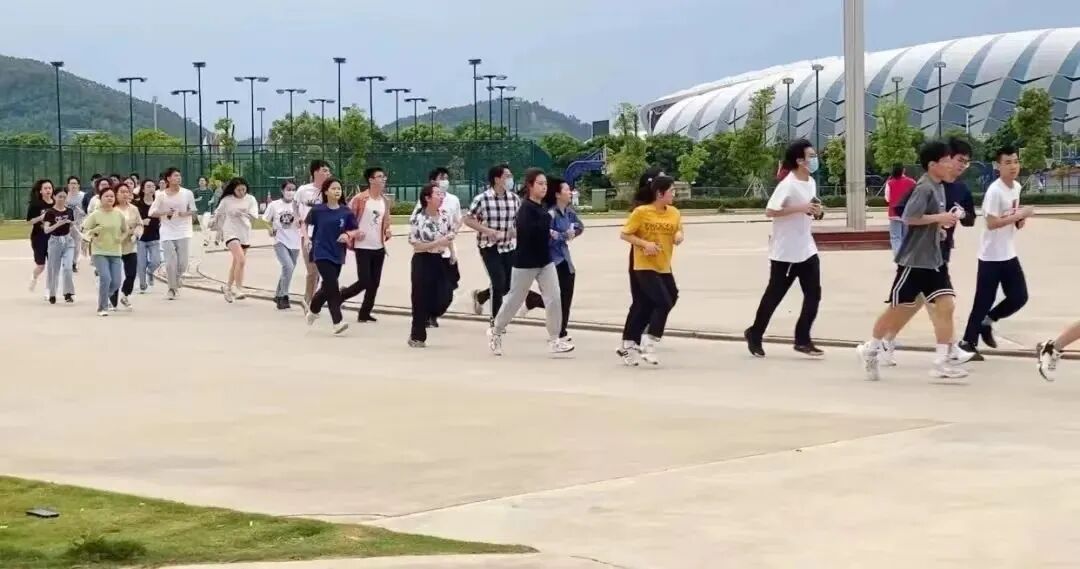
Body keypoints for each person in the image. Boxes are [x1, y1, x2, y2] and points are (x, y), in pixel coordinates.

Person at [856, 140, 973, 381]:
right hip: (915, 261)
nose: (951, 164)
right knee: (897, 309)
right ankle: (871, 347)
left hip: (934, 260)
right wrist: (938, 218)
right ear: (933, 165)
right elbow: (909, 217)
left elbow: (930, 219)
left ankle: (941, 361)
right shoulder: (924, 188)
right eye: (947, 160)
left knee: (947, 305)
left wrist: (939, 228)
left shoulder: (939, 187)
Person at [745, 139, 824, 358]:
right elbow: (770, 211)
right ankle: (755, 333)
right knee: (774, 296)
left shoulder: (810, 181)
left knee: (814, 295)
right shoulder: (788, 184)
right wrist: (800, 207)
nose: (815, 159)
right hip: (786, 253)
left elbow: (810, 207)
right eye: (811, 156)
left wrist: (816, 211)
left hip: (807, 248)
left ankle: (802, 339)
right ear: (799, 160)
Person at [958, 146, 1033, 359]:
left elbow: (1012, 217)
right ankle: (967, 343)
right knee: (983, 300)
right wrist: (1019, 214)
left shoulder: (1016, 187)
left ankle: (988, 321)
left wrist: (1020, 219)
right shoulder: (995, 191)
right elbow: (991, 223)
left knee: (1019, 296)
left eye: (1016, 161)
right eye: (1007, 162)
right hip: (990, 256)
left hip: (1008, 253)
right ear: (997, 166)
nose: (1013, 166)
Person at [487, 168, 570, 356]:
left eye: (545, 184)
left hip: (545, 261)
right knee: (514, 300)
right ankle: (496, 331)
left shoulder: (543, 206)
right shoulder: (525, 209)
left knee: (554, 297)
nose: (544, 187)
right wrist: (548, 219)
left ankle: (555, 339)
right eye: (540, 184)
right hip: (525, 263)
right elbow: (531, 232)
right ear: (530, 186)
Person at [617, 175, 683, 366]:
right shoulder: (641, 212)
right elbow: (625, 234)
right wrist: (645, 244)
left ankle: (629, 342)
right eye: (671, 191)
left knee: (669, 296)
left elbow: (678, 229)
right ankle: (649, 340)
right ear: (659, 193)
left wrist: (679, 235)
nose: (674, 194)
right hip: (644, 265)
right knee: (662, 301)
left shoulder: (674, 212)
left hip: (664, 264)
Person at [466, 164, 544, 322]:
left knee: (509, 284)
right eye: (507, 176)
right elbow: (468, 219)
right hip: (489, 246)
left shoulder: (514, 199)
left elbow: (520, 221)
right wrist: (487, 231)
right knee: (498, 282)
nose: (510, 179)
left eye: (510, 176)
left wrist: (519, 231)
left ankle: (481, 296)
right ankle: (496, 320)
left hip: (509, 246)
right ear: (497, 179)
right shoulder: (482, 199)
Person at [302, 177, 360, 335]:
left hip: (338, 253)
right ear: (326, 191)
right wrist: (306, 239)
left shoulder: (345, 211)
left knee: (327, 286)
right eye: (333, 188)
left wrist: (347, 235)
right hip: (321, 252)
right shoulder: (318, 210)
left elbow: (356, 230)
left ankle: (313, 309)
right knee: (333, 286)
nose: (337, 191)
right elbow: (304, 223)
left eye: (339, 188)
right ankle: (337, 322)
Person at [412, 167, 464, 326]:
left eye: (446, 178)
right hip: (428, 253)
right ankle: (426, 317)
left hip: (446, 251)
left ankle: (434, 312)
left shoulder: (453, 200)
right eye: (441, 178)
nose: (445, 181)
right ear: (433, 181)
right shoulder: (424, 206)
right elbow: (415, 232)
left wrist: (452, 245)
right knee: (427, 287)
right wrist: (435, 242)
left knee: (449, 286)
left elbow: (457, 222)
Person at [342, 167, 393, 322]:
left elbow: (386, 220)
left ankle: (365, 313)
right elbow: (347, 218)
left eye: (384, 177)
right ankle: (340, 296)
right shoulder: (360, 199)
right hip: (362, 246)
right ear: (371, 180)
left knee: (374, 283)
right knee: (364, 280)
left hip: (379, 246)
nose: (383, 179)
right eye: (379, 176)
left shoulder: (385, 200)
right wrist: (354, 232)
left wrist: (387, 230)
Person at [408, 183, 456, 347]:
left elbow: (449, 235)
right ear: (427, 198)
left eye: (441, 194)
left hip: (440, 259)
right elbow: (415, 244)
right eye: (437, 194)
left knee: (446, 293)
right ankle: (417, 336)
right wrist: (437, 243)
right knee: (420, 297)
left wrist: (452, 253)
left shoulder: (444, 216)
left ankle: (431, 314)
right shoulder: (418, 218)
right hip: (422, 259)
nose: (441, 197)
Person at [544, 176, 584, 346]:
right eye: (567, 190)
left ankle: (562, 330)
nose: (570, 192)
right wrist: (563, 236)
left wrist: (573, 232)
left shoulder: (568, 212)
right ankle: (557, 333)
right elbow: (547, 236)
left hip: (565, 258)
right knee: (556, 297)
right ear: (557, 194)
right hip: (552, 260)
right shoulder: (550, 214)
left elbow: (580, 226)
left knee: (566, 296)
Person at [148, 167, 197, 300]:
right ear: (168, 179)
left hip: (184, 230)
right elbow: (151, 212)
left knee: (183, 263)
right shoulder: (161, 195)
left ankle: (177, 278)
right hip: (167, 231)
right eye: (175, 176)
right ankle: (171, 288)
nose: (178, 178)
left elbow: (193, 211)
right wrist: (165, 213)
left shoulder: (187, 193)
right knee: (170, 262)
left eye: (179, 176)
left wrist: (184, 213)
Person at [81, 186, 129, 317]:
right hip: (99, 251)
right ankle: (102, 307)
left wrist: (121, 238)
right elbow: (84, 229)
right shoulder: (95, 215)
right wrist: (93, 232)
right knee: (106, 278)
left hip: (115, 251)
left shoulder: (118, 214)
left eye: (112, 196)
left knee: (116, 282)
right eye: (106, 196)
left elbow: (126, 230)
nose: (109, 198)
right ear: (100, 198)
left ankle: (104, 296)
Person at [212, 177, 259, 303]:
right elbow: (218, 212)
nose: (242, 192)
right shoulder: (227, 200)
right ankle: (238, 289)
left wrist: (243, 213)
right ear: (233, 189)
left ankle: (227, 287)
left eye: (243, 189)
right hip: (230, 232)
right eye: (239, 190)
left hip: (244, 232)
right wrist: (214, 222)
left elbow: (254, 217)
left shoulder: (250, 199)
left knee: (236, 262)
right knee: (241, 260)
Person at [297, 160, 333, 305]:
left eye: (328, 171)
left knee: (323, 272)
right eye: (324, 170)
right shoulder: (303, 190)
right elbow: (294, 205)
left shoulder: (331, 191)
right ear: (315, 172)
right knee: (312, 271)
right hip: (308, 236)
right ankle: (308, 301)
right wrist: (297, 218)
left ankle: (314, 299)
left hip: (325, 236)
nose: (328, 173)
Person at [263, 180, 302, 310]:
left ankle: (278, 294)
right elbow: (265, 220)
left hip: (295, 242)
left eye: (293, 189)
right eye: (288, 189)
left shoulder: (298, 205)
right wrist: (269, 228)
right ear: (282, 190)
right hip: (280, 240)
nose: (291, 192)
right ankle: (284, 296)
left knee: (288, 270)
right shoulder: (274, 205)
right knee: (288, 266)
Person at [109, 183, 143, 310]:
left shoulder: (134, 209)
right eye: (121, 192)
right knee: (115, 276)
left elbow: (140, 224)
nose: (124, 194)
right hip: (115, 245)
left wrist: (137, 234)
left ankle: (125, 295)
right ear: (116, 194)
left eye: (127, 192)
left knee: (132, 273)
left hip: (130, 245)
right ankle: (112, 301)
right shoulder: (111, 209)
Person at [41, 186, 77, 304]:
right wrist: (58, 224)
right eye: (59, 196)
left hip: (68, 241)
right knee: (54, 269)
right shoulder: (50, 212)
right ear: (54, 197)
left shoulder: (69, 211)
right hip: (55, 242)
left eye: (64, 197)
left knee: (68, 268)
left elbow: (71, 226)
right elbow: (46, 230)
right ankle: (52, 293)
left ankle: (68, 293)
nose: (62, 199)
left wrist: (71, 224)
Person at [26, 179, 55, 294]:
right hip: (39, 237)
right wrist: (41, 217)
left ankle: (49, 290)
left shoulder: (56, 202)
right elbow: (29, 221)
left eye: (50, 188)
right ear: (41, 191)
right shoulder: (36, 205)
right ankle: (34, 277)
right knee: (41, 265)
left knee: (53, 265)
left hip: (54, 238)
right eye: (45, 188)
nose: (48, 190)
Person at [134, 180, 161, 293]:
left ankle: (150, 272)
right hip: (140, 238)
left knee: (156, 261)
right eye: (148, 186)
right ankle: (142, 284)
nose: (151, 188)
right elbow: (131, 219)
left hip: (155, 236)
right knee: (141, 263)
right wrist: (141, 222)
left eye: (153, 186)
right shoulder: (136, 204)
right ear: (143, 189)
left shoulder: (158, 203)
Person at [885, 164, 916, 255]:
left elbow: (887, 198)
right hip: (907, 213)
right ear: (904, 170)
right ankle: (906, 255)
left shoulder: (889, 183)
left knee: (895, 237)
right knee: (906, 237)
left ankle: (898, 256)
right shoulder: (912, 182)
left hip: (894, 213)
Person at [66, 176, 85, 273]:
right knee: (65, 243)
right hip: (66, 224)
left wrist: (80, 211)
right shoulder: (65, 195)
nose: (73, 185)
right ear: (68, 185)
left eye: (75, 183)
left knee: (77, 245)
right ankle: (66, 261)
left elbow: (86, 211)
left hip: (78, 224)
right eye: (71, 183)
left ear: (78, 185)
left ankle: (74, 263)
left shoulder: (83, 196)